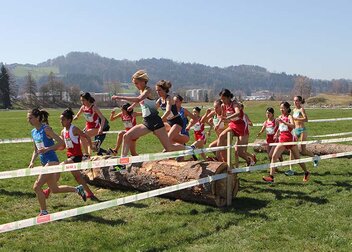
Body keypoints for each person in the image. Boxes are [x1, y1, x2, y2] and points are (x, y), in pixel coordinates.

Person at [111, 70, 185, 158]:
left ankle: (187, 148)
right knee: (127, 136)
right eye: (134, 83)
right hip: (147, 122)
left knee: (169, 148)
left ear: (143, 82)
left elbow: (139, 99)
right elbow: (141, 101)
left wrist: (119, 97)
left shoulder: (148, 90)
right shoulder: (141, 91)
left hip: (156, 122)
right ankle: (122, 163)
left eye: (136, 83)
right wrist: (133, 106)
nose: (136, 86)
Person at [27, 108, 86, 216]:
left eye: (30, 118)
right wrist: (32, 162)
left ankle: (44, 212)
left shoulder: (46, 129)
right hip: (44, 162)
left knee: (37, 187)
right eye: (28, 118)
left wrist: (47, 149)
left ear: (38, 118)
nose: (28, 120)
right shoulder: (33, 132)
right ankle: (78, 189)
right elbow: (36, 150)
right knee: (55, 189)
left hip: (52, 161)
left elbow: (61, 142)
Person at [262, 102, 310, 183]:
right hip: (282, 140)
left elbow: (293, 125)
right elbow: (280, 128)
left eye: (283, 108)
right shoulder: (280, 117)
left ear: (287, 109)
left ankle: (306, 172)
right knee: (274, 156)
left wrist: (284, 122)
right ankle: (271, 177)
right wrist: (277, 134)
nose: (281, 109)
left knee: (298, 159)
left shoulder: (289, 116)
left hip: (290, 140)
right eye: (280, 108)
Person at [216, 89, 253, 164]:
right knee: (221, 136)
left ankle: (249, 160)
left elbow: (238, 113)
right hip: (233, 125)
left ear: (229, 97)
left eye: (224, 99)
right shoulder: (223, 105)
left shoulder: (234, 104)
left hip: (242, 126)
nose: (222, 101)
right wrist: (219, 123)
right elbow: (223, 116)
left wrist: (228, 118)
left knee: (240, 152)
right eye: (221, 99)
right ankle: (218, 157)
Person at [73, 92, 109, 158]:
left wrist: (101, 129)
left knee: (83, 135)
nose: (82, 102)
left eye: (83, 100)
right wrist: (75, 117)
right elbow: (77, 115)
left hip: (96, 128)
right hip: (88, 127)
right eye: (81, 100)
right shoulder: (83, 107)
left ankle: (86, 154)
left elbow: (103, 118)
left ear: (88, 100)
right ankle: (93, 147)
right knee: (81, 142)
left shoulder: (93, 107)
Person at [155, 80, 184, 145]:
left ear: (165, 90)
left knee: (168, 139)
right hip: (169, 122)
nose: (157, 92)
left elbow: (168, 111)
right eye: (156, 90)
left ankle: (184, 143)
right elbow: (153, 110)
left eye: (159, 90)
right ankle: (181, 145)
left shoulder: (169, 98)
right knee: (156, 131)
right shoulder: (160, 100)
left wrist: (160, 120)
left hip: (177, 122)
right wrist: (140, 114)